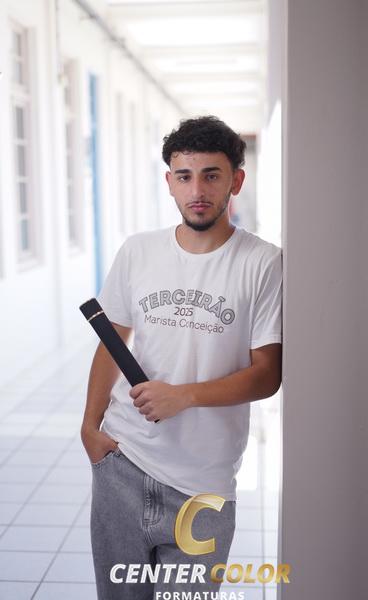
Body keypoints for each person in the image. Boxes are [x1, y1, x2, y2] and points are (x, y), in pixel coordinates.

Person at [81, 115, 282, 600]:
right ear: (169, 181)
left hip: (203, 486)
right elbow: (111, 341)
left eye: (212, 175)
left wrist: (183, 396)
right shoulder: (138, 251)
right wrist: (90, 428)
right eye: (184, 176)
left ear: (236, 180)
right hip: (123, 464)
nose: (197, 190)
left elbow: (267, 375)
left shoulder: (263, 262)